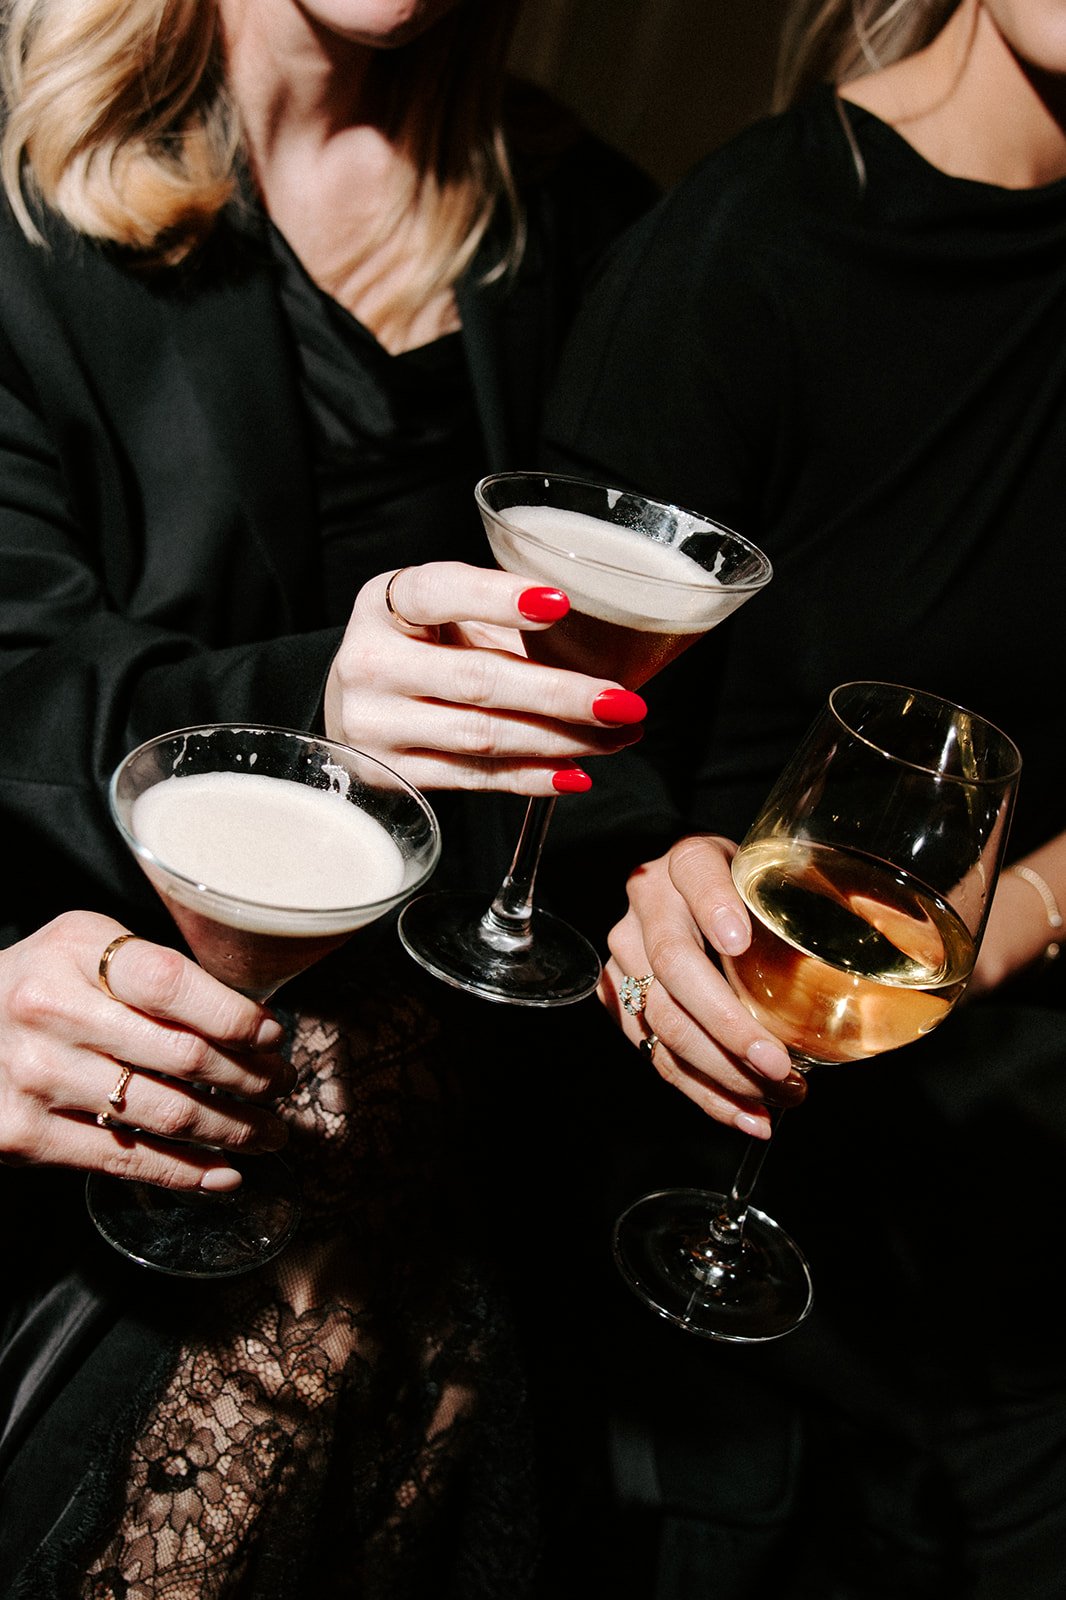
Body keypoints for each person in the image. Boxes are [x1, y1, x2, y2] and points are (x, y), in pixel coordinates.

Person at [0, 1, 657, 1593]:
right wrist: (313, 710)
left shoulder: (580, 216)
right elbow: (17, 663)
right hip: (98, 994)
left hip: (454, 1076)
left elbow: (635, 757)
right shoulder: (25, 177)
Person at [540, 1, 1066, 1595]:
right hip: (724, 1201)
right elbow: (556, 735)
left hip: (1027, 1235)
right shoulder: (751, 250)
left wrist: (1013, 917)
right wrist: (649, 888)